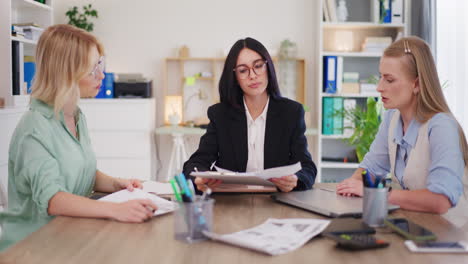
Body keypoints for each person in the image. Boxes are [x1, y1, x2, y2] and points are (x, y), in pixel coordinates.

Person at [0, 24, 158, 251]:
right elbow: (53, 199)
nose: (101, 75)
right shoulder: (34, 127)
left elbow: (79, 171)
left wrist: (115, 184)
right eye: (93, 69)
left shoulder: (74, 116)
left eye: (100, 65)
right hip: (32, 246)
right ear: (66, 73)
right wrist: (116, 210)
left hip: (70, 232)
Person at [336, 36, 468, 221]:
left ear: (417, 84)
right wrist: (354, 183)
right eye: (381, 77)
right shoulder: (393, 117)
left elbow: (440, 200)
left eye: (389, 80)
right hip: (415, 229)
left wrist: (376, 192)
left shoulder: (441, 126)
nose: (379, 87)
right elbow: (371, 168)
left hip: (449, 236)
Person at [182, 37, 317, 193]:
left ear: (268, 67)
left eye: (258, 66)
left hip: (277, 201)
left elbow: (307, 167)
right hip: (231, 203)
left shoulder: (291, 113)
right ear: (235, 77)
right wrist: (199, 179)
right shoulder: (220, 115)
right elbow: (196, 163)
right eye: (243, 70)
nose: (252, 75)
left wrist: (296, 180)